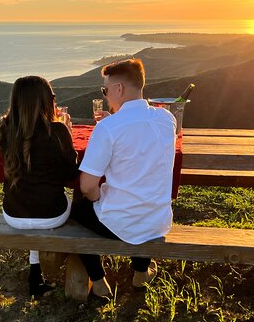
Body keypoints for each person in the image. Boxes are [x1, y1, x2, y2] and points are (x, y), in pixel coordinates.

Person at [71, 58, 176, 297]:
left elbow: (88, 186)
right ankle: (141, 272)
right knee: (143, 189)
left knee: (79, 203)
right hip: (158, 221)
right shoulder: (167, 120)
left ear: (119, 89)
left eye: (105, 90)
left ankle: (97, 280)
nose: (106, 96)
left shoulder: (108, 128)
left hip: (121, 223)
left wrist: (96, 199)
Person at [0, 76, 79, 298]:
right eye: (52, 97)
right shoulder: (57, 131)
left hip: (13, 213)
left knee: (33, 201)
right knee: (64, 203)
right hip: (52, 215)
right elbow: (71, 175)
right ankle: (80, 264)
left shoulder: (6, 129)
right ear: (45, 101)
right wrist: (67, 136)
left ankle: (35, 275)